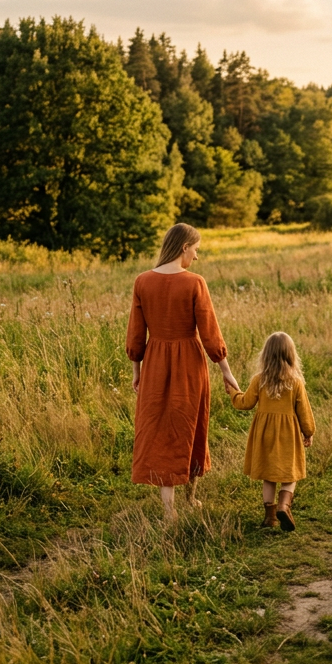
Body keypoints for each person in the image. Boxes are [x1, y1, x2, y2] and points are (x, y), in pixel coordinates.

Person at [126, 223, 239, 522]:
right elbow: (210, 334)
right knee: (191, 424)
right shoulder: (194, 283)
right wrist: (226, 371)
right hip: (189, 362)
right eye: (196, 250)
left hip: (154, 364)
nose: (197, 257)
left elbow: (136, 335)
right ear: (184, 248)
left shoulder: (142, 282)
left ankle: (170, 509)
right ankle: (190, 497)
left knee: (161, 429)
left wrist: (136, 371)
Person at [229, 332, 315, 532]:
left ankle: (270, 518)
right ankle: (284, 506)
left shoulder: (259, 380)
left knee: (269, 476)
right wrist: (308, 432)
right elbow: (304, 411)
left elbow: (245, 403)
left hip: (264, 435)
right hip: (288, 435)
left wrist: (233, 392)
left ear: (265, 355)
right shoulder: (295, 382)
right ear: (291, 355)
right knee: (289, 475)